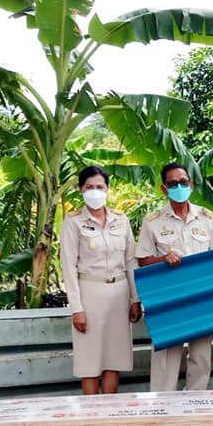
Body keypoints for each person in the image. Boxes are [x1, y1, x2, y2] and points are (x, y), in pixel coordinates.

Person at [136, 162, 213, 391]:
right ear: (164, 189)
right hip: (169, 298)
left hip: (201, 295)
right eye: (173, 183)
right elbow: (142, 260)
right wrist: (163, 259)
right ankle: (163, 406)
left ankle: (196, 402)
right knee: (167, 353)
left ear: (191, 185)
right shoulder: (153, 221)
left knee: (201, 353)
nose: (179, 187)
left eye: (183, 182)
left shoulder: (206, 218)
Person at [60, 166, 142, 395]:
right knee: (90, 361)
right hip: (89, 294)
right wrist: (77, 309)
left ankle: (110, 413)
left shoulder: (120, 220)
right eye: (89, 187)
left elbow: (130, 262)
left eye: (99, 187)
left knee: (114, 358)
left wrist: (136, 299)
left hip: (119, 293)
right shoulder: (73, 222)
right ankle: (91, 417)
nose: (95, 192)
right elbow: (68, 266)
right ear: (80, 190)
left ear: (107, 189)